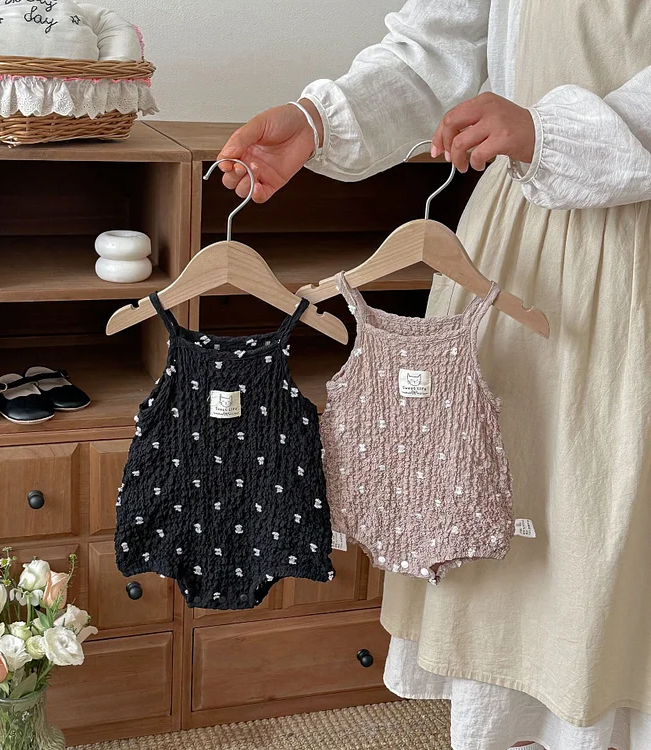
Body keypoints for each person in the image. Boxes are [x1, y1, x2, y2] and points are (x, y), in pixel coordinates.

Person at [216, 3, 651, 750]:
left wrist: (555, 132)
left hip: (633, 246)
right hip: (517, 242)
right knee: (510, 507)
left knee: (608, 516)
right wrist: (319, 120)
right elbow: (436, 47)